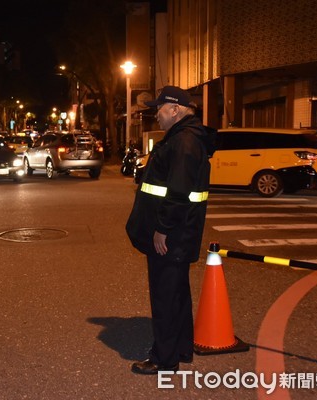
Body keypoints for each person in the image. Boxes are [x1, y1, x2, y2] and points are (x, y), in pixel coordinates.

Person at [125, 86, 216, 374]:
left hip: (172, 232)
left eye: (160, 109)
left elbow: (178, 192)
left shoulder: (184, 142)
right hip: (179, 230)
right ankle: (180, 348)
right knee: (176, 292)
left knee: (165, 296)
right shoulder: (182, 138)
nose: (157, 115)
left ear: (175, 110)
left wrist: (162, 228)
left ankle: (164, 359)